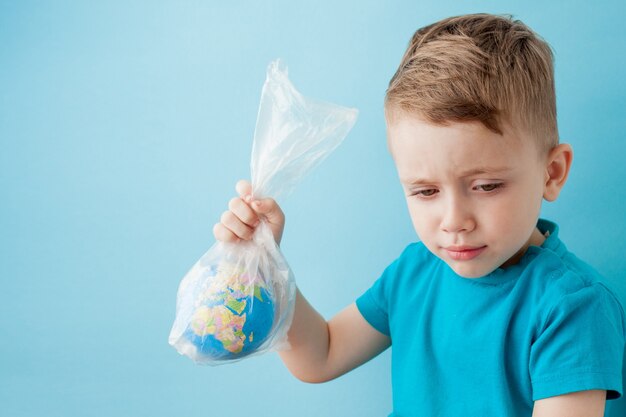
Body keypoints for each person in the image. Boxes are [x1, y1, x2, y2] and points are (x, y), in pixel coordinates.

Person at [212, 13, 625, 417]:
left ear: (551, 173)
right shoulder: (414, 272)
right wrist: (266, 263)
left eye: (486, 186)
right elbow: (320, 355)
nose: (454, 220)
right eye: (426, 191)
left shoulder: (573, 307)